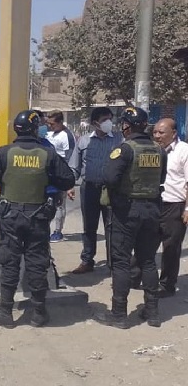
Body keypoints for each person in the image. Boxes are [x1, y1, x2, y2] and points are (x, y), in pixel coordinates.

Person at [0, 110, 75, 328]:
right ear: (35, 129)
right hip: (38, 217)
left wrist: (0, 177)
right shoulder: (48, 154)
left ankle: (5, 313)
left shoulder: (4, 153)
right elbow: (68, 180)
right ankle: (39, 313)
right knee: (37, 262)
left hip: (10, 217)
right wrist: (47, 178)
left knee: (9, 262)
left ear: (16, 129)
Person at [95, 107, 166, 329]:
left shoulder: (124, 149)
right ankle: (152, 313)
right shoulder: (159, 150)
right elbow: (161, 178)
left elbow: (109, 178)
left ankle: (119, 314)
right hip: (152, 210)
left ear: (127, 125)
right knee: (148, 260)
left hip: (127, 211)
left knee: (121, 261)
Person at [68, 107, 124, 274]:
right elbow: (75, 166)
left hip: (111, 190)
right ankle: (87, 261)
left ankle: (113, 264)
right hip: (89, 188)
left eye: (110, 119)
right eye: (105, 120)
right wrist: (69, 185)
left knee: (111, 227)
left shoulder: (119, 140)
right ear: (95, 123)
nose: (109, 123)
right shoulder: (84, 141)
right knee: (89, 227)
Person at [152, 118, 188, 298]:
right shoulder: (153, 150)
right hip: (154, 203)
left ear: (173, 133)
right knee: (147, 242)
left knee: (171, 247)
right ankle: (134, 277)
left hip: (175, 205)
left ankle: (167, 285)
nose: (157, 136)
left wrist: (187, 209)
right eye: (155, 132)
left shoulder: (184, 150)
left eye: (161, 132)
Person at [46, 110, 75, 242]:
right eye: (49, 123)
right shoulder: (50, 133)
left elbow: (70, 158)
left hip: (60, 174)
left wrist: (69, 182)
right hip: (48, 174)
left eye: (52, 124)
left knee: (59, 204)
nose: (50, 126)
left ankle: (58, 231)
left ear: (60, 122)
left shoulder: (67, 136)